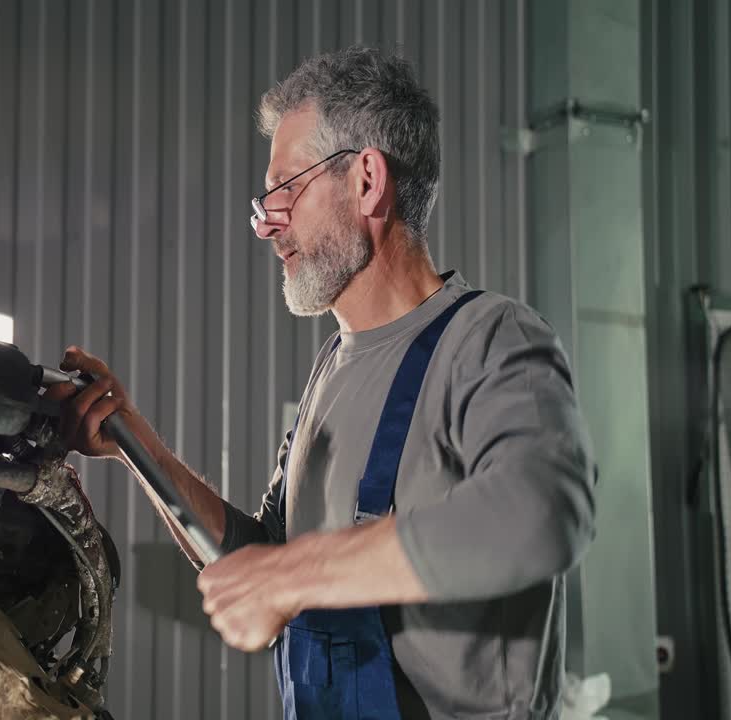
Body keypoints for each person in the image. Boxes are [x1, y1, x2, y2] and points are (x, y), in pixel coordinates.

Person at [46, 46, 597, 720]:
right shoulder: (330, 371)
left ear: (368, 181)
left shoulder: (491, 339)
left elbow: (543, 512)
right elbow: (262, 557)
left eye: (286, 188)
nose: (267, 222)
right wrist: (133, 441)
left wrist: (291, 576)